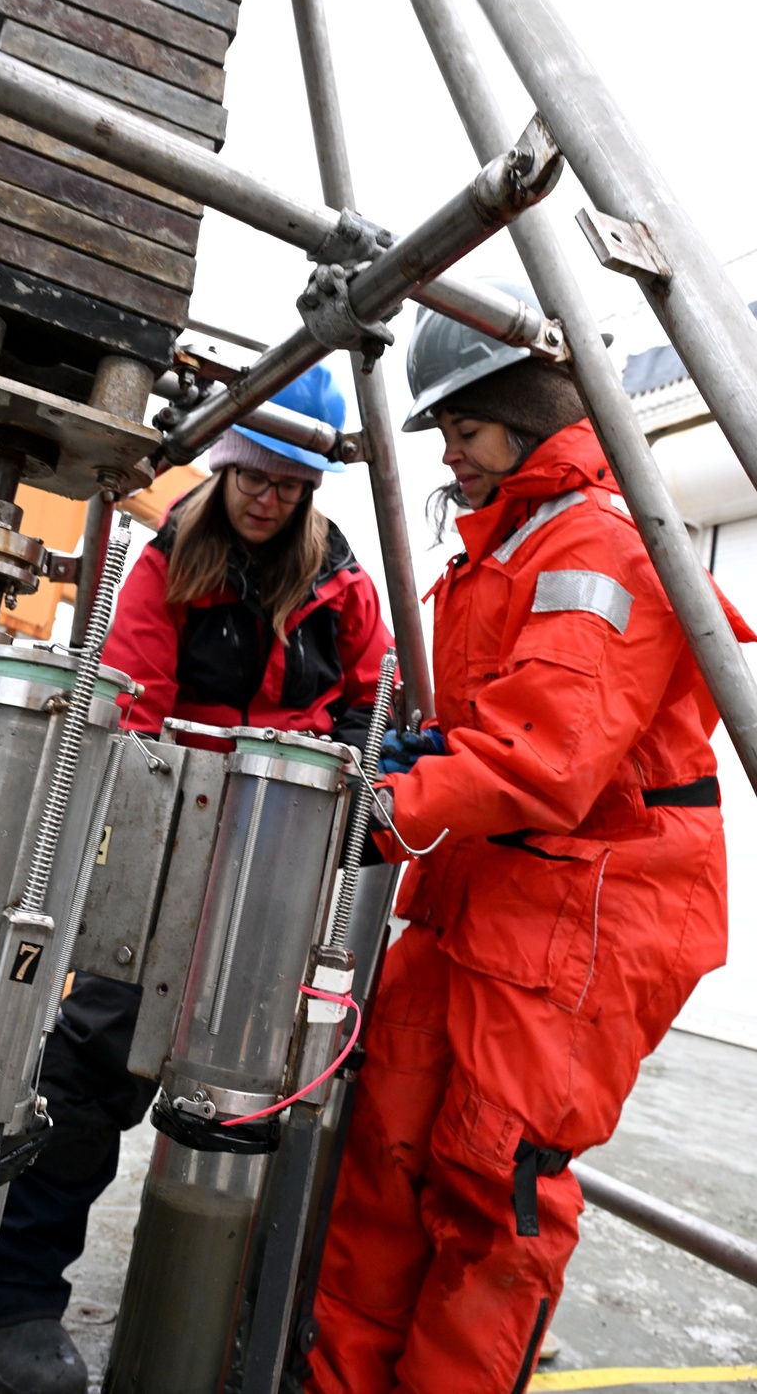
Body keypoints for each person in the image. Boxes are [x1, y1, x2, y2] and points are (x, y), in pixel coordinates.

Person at [305, 290, 754, 1394]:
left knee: (488, 1187)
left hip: (583, 917)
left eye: (462, 431)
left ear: (521, 415)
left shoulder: (599, 541)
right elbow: (494, 732)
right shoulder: (510, 542)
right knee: (386, 1152)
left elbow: (546, 755)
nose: (450, 457)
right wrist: (416, 760)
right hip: (481, 895)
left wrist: (387, 811)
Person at [0, 365, 394, 1394]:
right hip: (166, 854)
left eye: (293, 485)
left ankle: (237, 1309)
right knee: (84, 1079)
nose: (270, 498)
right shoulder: (169, 562)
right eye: (257, 475)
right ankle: (20, 1304)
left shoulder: (342, 588)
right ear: (225, 464)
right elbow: (132, 708)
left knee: (258, 1099)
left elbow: (369, 716)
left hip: (279, 878)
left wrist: (345, 788)